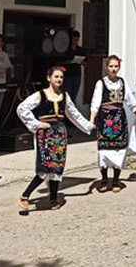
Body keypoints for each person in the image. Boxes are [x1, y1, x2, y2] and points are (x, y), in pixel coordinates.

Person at [16, 66, 93, 211]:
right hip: (44, 134)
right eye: (56, 77)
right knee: (45, 166)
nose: (59, 79)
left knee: (57, 166)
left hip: (59, 134)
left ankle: (53, 198)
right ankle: (25, 196)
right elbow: (22, 108)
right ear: (48, 78)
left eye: (61, 77)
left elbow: (74, 114)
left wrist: (88, 126)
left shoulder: (65, 96)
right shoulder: (40, 95)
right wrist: (36, 124)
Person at [88, 56, 136, 193]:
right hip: (105, 120)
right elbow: (95, 102)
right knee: (104, 150)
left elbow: (131, 101)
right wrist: (92, 120)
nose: (113, 69)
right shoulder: (101, 83)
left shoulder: (122, 83)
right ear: (107, 67)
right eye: (111, 66)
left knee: (119, 149)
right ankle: (104, 179)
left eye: (116, 66)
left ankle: (116, 179)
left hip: (119, 119)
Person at [61, 30, 87, 103]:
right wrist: (68, 62)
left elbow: (86, 62)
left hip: (77, 74)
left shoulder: (80, 50)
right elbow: (60, 62)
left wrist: (81, 62)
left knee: (74, 94)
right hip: (67, 74)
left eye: (77, 39)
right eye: (74, 39)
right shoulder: (66, 49)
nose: (75, 41)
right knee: (67, 94)